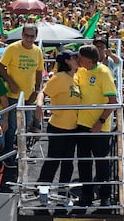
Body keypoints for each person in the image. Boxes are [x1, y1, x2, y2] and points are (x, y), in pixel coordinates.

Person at [75, 44, 117, 209]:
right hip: (82, 125)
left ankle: (104, 196)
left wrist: (100, 122)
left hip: (99, 127)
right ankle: (87, 195)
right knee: (84, 163)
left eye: (80, 58)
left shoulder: (103, 73)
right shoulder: (81, 71)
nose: (78, 60)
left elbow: (113, 102)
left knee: (101, 164)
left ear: (89, 60)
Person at [0, 24, 44, 166]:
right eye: (26, 35)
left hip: (28, 95)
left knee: (25, 125)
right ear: (22, 35)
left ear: (36, 37)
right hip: (12, 95)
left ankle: (20, 153)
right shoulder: (12, 48)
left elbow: (39, 72)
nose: (29, 39)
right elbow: (0, 66)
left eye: (32, 36)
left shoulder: (37, 51)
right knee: (11, 126)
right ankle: (8, 156)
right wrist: (10, 82)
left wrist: (36, 91)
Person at [35, 50, 81, 189]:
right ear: (67, 61)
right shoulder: (59, 77)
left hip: (73, 127)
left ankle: (63, 190)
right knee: (53, 160)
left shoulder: (76, 77)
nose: (77, 59)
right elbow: (43, 92)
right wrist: (39, 105)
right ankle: (42, 187)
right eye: (74, 57)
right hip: (58, 125)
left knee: (68, 162)